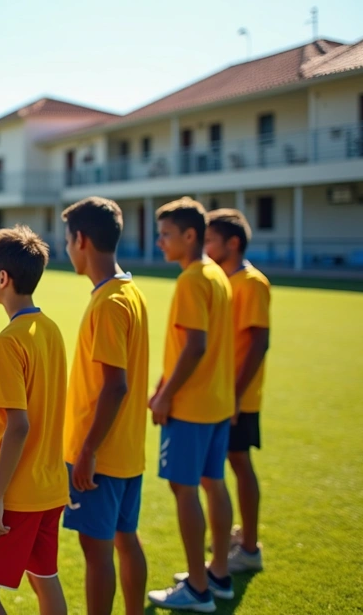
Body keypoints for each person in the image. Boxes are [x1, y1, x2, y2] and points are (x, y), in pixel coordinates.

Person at [0, 225, 68, 615]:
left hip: (15, 495)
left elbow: (18, 425)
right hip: (50, 487)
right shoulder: (51, 330)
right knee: (45, 579)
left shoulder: (8, 342)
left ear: (3, 278)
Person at [60, 198, 150, 615]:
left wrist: (88, 451)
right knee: (125, 540)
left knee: (97, 554)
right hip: (127, 452)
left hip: (100, 458)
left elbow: (115, 386)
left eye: (67, 239)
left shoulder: (110, 303)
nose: (66, 248)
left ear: (81, 240)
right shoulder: (130, 293)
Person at [147, 197, 235, 613]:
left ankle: (197, 589)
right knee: (213, 483)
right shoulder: (216, 274)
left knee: (184, 490)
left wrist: (165, 395)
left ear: (189, 235)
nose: (159, 241)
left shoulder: (191, 280)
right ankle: (217, 572)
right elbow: (196, 344)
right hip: (218, 402)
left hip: (192, 407)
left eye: (165, 234)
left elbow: (195, 346)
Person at [204, 208, 270, 574]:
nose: (205, 246)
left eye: (210, 239)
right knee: (226, 463)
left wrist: (234, 394)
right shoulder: (224, 280)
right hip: (220, 394)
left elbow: (259, 342)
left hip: (237, 397)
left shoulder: (252, 283)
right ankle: (239, 535)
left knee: (239, 463)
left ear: (232, 242)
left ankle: (248, 547)